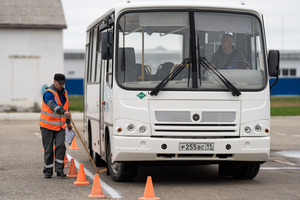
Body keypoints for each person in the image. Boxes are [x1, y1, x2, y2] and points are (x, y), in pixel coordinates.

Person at [39, 73, 72, 179]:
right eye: (59, 83)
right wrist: (63, 112)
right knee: (48, 149)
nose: (61, 85)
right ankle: (48, 171)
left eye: (63, 83)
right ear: (54, 82)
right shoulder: (48, 93)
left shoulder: (65, 92)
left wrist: (68, 122)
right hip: (47, 126)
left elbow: (66, 107)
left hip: (60, 127)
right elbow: (52, 105)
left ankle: (59, 170)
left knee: (61, 147)